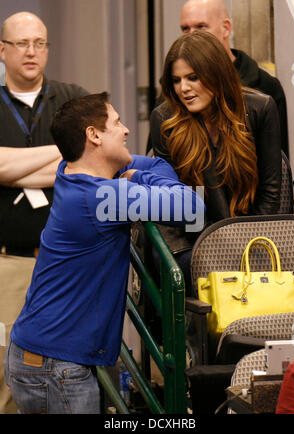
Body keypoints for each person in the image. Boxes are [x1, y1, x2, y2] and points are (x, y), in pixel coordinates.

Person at [4, 92, 204, 414]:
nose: (126, 130)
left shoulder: (73, 171)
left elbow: (157, 163)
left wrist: (137, 174)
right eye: (116, 123)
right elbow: (194, 207)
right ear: (93, 135)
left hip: (43, 356)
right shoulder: (103, 199)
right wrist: (137, 178)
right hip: (56, 366)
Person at [0, 11, 88, 413]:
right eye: (21, 43)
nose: (32, 51)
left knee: (68, 366)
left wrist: (14, 167)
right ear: (3, 50)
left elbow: (92, 159)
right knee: (5, 369)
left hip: (66, 264)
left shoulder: (72, 98)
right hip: (8, 263)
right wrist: (63, 151)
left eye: (40, 43)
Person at [150, 30, 282, 291]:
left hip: (253, 234)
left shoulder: (260, 108)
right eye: (176, 81)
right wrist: (216, 245)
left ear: (216, 74)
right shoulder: (164, 118)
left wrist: (243, 242)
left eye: (193, 78)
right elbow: (172, 201)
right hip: (192, 240)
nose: (183, 89)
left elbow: (271, 192)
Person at [179, 0, 289, 158]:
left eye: (201, 27)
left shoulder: (264, 88)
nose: (192, 36)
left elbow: (279, 165)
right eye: (185, 29)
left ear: (226, 28)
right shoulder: (174, 90)